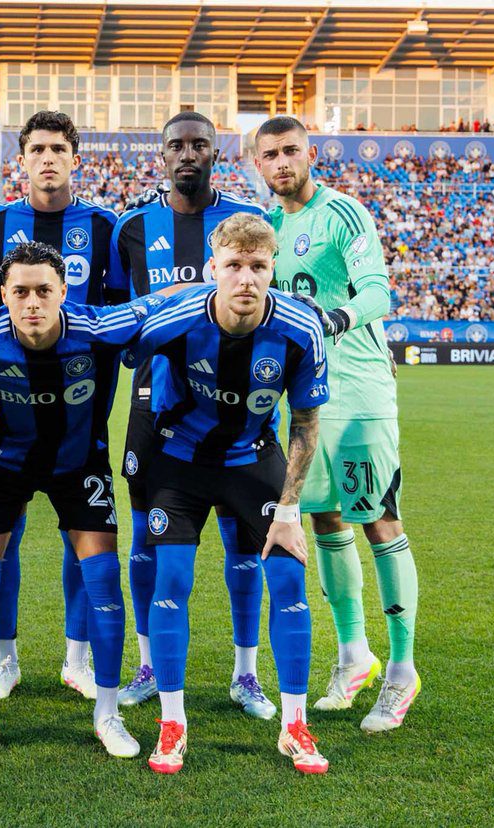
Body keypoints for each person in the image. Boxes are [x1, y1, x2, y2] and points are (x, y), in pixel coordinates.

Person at [0, 241, 160, 759]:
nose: (33, 302)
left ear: (64, 291)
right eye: (20, 292)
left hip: (77, 464)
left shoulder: (98, 329)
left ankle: (107, 715)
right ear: (2, 295)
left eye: (45, 291)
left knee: (103, 580)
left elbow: (165, 302)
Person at [134, 212, 330, 774]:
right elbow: (118, 356)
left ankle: (294, 725)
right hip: (180, 461)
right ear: (212, 268)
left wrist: (289, 510)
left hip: (252, 459)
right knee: (172, 580)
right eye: (235, 265)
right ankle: (173, 723)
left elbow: (305, 424)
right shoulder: (173, 318)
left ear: (274, 271)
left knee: (288, 578)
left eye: (259, 266)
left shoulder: (299, 328)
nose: (246, 278)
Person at [255, 116, 420, 733]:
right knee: (323, 518)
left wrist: (339, 319)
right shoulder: (268, 226)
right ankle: (354, 656)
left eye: (291, 151)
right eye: (269, 154)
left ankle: (402, 670)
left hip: (360, 389)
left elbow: (380, 289)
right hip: (305, 397)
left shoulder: (343, 213)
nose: (281, 163)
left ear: (311, 153)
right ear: (259, 163)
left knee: (377, 519)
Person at [108, 111, 275, 714]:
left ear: (215, 152)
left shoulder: (244, 226)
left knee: (244, 543)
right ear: (162, 154)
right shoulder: (130, 229)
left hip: (242, 417)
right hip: (155, 410)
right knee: (148, 539)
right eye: (176, 145)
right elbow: (117, 321)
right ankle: (149, 663)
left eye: (198, 145)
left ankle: (245, 672)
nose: (187, 155)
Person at [0, 109, 126, 701]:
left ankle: (78, 658)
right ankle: (4, 657)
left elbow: (118, 322)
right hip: (7, 419)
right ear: (21, 159)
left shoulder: (107, 226)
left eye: (58, 148)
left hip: (82, 421)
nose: (47, 158)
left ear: (75, 157)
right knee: (1, 537)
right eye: (36, 148)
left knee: (82, 538)